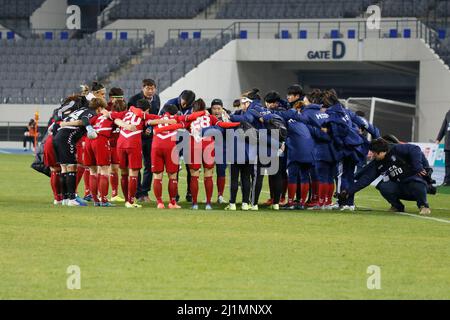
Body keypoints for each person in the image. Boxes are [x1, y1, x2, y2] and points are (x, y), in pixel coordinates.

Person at [339, 138, 432, 215]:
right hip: (400, 186)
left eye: (374, 152)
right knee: (383, 186)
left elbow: (415, 149)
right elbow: (366, 180)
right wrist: (348, 191)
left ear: (381, 152)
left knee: (417, 183)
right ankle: (397, 206)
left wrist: (418, 167)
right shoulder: (377, 163)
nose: (372, 155)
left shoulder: (397, 149)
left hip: (415, 183)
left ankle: (424, 206)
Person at [128, 79, 161, 202]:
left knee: (149, 164)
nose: (150, 91)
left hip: (149, 138)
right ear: (143, 88)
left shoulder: (157, 99)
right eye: (148, 88)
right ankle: (138, 193)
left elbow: (154, 117)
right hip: (136, 136)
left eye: (152, 88)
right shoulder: (133, 100)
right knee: (136, 165)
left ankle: (145, 192)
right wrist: (142, 130)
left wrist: (150, 128)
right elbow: (130, 117)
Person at [435, 109, 450, 186]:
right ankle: (447, 181)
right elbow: (443, 128)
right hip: (448, 144)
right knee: (447, 164)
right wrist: (438, 139)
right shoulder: (448, 113)